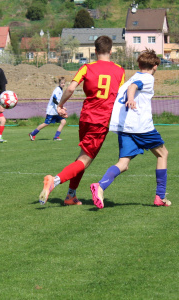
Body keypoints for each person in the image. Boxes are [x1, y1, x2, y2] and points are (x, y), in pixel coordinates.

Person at [38, 36, 125, 206]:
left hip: (85, 118)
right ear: (111, 50)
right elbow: (120, 98)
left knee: (82, 158)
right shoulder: (120, 71)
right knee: (85, 160)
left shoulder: (86, 67)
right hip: (101, 121)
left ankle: (71, 195)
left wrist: (61, 105)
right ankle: (54, 181)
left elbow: (70, 88)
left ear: (95, 51)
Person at [89, 49, 169, 209]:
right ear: (155, 66)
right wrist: (131, 99)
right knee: (163, 154)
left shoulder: (132, 77)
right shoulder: (147, 78)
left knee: (123, 164)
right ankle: (160, 196)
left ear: (139, 64)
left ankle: (100, 186)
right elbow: (133, 87)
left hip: (124, 126)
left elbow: (130, 86)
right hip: (140, 126)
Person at [29, 77, 67, 141]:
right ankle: (32, 134)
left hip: (56, 111)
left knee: (63, 121)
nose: (63, 84)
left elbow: (58, 101)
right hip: (52, 111)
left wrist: (61, 107)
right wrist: (59, 107)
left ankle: (56, 137)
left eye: (64, 83)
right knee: (46, 123)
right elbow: (54, 99)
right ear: (59, 83)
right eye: (61, 83)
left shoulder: (61, 90)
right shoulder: (57, 90)